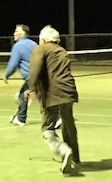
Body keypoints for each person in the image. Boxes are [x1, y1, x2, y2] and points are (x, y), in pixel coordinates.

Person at [25, 25, 80, 174]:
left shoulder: (40, 49)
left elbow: (34, 70)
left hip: (52, 93)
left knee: (47, 128)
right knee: (69, 126)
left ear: (42, 39)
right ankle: (75, 157)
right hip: (68, 91)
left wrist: (31, 89)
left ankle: (63, 150)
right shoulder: (62, 51)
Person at [4, 24, 37, 126]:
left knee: (22, 96)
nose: (14, 33)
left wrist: (6, 75)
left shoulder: (18, 46)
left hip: (31, 77)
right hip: (41, 75)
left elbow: (13, 64)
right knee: (40, 97)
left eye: (16, 31)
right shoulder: (34, 44)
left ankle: (21, 118)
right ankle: (20, 118)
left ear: (22, 34)